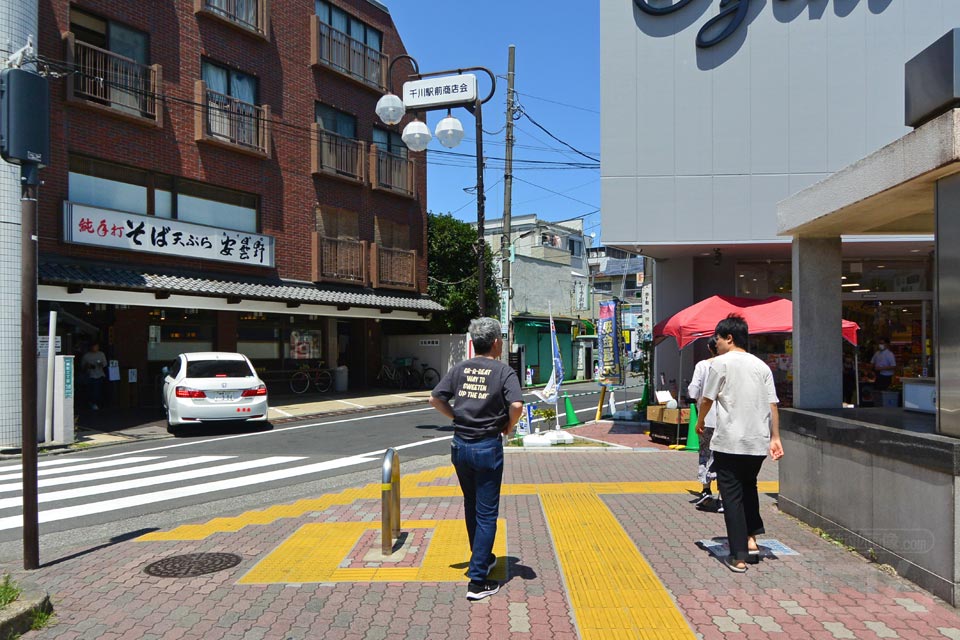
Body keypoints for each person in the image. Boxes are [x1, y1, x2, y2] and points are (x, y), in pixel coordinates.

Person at [429, 318, 524, 601]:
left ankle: (481, 558)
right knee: (486, 513)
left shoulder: (460, 368)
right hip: (486, 447)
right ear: (496, 342)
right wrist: (509, 426)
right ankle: (477, 581)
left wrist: (457, 417)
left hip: (460, 446)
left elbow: (435, 399)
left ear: (474, 342)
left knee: (472, 505)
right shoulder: (503, 371)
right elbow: (516, 405)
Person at [695, 314, 784, 573]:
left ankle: (739, 556)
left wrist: (700, 422)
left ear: (729, 338)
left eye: (718, 339)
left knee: (732, 495)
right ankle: (752, 541)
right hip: (757, 442)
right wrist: (775, 437)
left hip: (730, 441)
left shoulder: (720, 364)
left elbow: (707, 399)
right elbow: (773, 404)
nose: (716, 343)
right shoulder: (761, 366)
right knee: (749, 488)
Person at [687, 337, 721, 512]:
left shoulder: (702, 366)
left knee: (705, 453)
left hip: (706, 419)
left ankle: (706, 489)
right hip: (726, 420)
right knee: (724, 456)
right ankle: (724, 496)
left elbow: (693, 391)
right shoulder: (728, 364)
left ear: (709, 347)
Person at [80, 341, 108, 411]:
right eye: (95, 346)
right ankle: (92, 403)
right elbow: (82, 366)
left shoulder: (101, 354)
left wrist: (100, 364)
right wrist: (87, 366)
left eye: (97, 347)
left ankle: (96, 403)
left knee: (97, 390)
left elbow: (105, 364)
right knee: (91, 390)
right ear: (91, 347)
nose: (96, 348)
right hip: (90, 375)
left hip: (100, 375)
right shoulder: (86, 356)